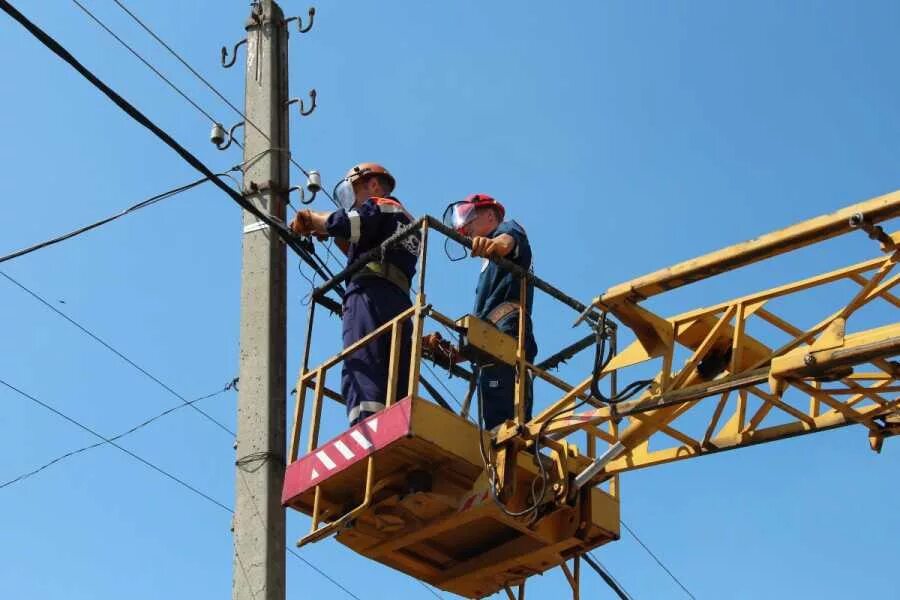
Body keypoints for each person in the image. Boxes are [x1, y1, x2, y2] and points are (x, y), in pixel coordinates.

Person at [291, 163, 418, 425]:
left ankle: (364, 426)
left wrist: (311, 218)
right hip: (399, 301)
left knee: (363, 360)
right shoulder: (407, 221)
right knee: (395, 366)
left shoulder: (381, 204)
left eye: (353, 192)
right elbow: (368, 243)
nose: (352, 202)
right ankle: (396, 423)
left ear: (372, 185)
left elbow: (349, 223)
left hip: (368, 294)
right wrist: (330, 232)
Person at [443, 194, 537, 430]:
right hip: (492, 338)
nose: (465, 228)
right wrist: (455, 354)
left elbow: (510, 240)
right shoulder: (490, 268)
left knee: (506, 413)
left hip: (507, 330)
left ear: (489, 215)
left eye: (468, 217)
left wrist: (495, 245)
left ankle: (507, 449)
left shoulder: (506, 230)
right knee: (494, 416)